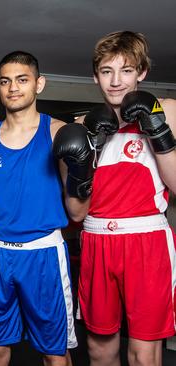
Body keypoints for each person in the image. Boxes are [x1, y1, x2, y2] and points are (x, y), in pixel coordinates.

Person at [0, 51, 94, 366]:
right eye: (5, 81)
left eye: (22, 80)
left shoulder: (59, 134)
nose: (13, 88)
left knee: (54, 352)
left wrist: (82, 176)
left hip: (43, 254)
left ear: (39, 84)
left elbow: (77, 213)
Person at [75, 31, 176, 366]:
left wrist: (157, 129)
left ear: (142, 72)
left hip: (146, 241)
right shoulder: (84, 127)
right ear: (95, 76)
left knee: (144, 353)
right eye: (107, 71)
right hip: (97, 239)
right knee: (99, 350)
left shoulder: (169, 111)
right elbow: (75, 212)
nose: (116, 81)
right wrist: (83, 162)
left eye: (126, 70)